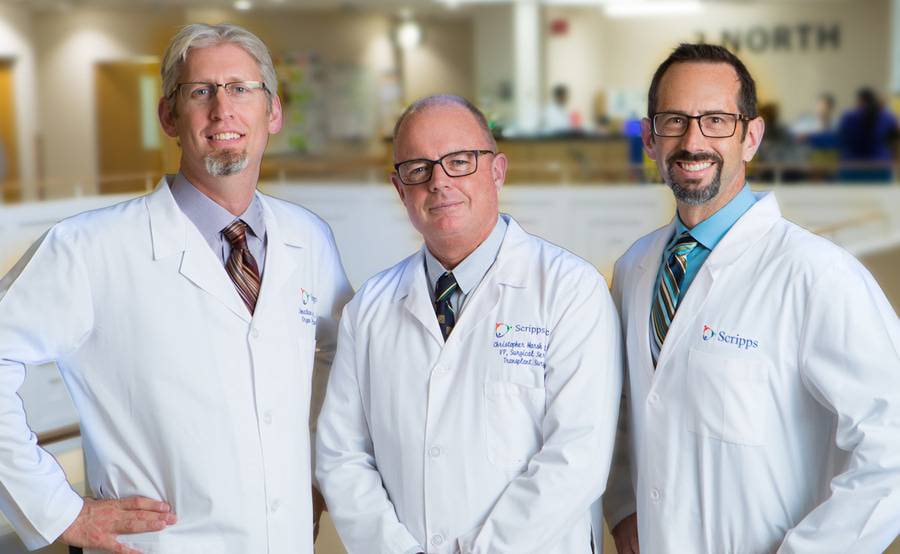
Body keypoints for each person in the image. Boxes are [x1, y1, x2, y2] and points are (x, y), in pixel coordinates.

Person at [0, 23, 352, 553]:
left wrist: (320, 476)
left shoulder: (309, 238)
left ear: (273, 112)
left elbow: (336, 359)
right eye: (200, 92)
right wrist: (56, 511)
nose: (222, 110)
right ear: (168, 115)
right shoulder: (89, 247)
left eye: (240, 89)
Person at [604, 43, 900, 554]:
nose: (693, 140)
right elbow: (627, 409)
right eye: (674, 120)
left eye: (716, 120)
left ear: (751, 137)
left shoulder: (818, 274)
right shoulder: (635, 268)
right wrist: (624, 508)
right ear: (650, 138)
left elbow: (891, 447)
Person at [316, 94, 622, 554]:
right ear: (400, 189)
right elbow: (342, 455)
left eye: (459, 161)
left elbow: (579, 455)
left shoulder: (569, 290)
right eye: (419, 169)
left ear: (497, 171)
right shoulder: (370, 308)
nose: (439, 182)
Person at [837, 87, 899, 182]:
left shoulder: (848, 117)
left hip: (851, 166)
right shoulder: (888, 117)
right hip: (880, 166)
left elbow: (840, 139)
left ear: (859, 100)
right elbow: (895, 143)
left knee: (849, 196)